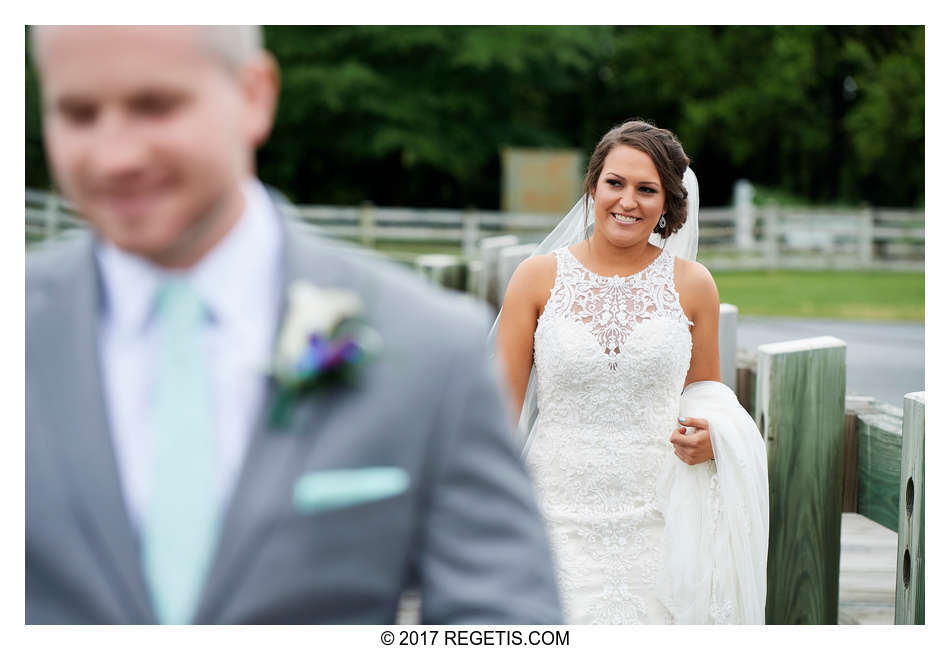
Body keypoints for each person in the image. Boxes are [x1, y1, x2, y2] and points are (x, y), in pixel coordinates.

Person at [26, 25, 562, 625]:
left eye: (156, 107)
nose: (115, 155)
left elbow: (507, 626)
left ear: (254, 96)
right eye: (77, 114)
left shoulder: (432, 347)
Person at [493, 119, 769, 624]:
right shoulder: (536, 278)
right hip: (552, 510)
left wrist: (715, 439)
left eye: (647, 189)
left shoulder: (694, 285)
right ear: (593, 185)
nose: (628, 201)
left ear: (668, 203)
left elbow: (706, 395)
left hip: (657, 518)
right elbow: (496, 413)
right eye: (615, 183)